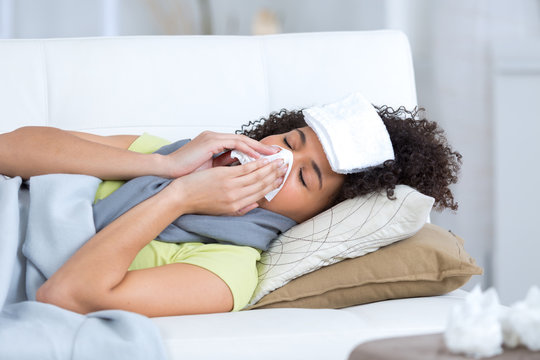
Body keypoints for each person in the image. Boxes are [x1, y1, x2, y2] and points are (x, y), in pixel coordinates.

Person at [0, 105, 461, 317]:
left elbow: (64, 297)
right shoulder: (176, 158)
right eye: (288, 142)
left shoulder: (229, 270)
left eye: (304, 177)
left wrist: (178, 199)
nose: (276, 160)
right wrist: (161, 166)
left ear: (315, 216)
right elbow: (10, 149)